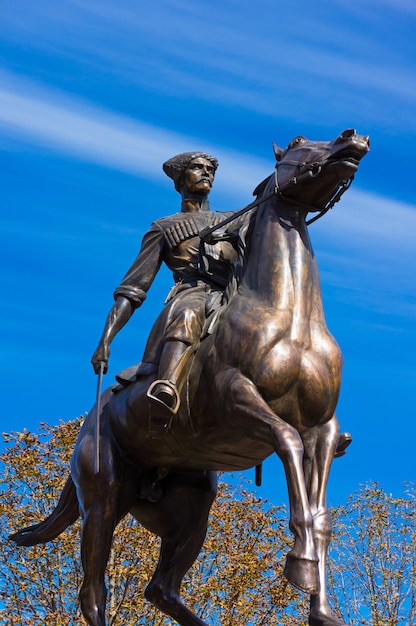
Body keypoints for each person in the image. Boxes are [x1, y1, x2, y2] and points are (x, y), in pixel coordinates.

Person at [91, 152, 239, 434]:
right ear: (181, 178)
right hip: (193, 292)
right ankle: (167, 388)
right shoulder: (164, 227)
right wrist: (106, 340)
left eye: (210, 169)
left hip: (233, 294)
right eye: (197, 168)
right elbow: (132, 289)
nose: (206, 172)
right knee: (188, 313)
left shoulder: (233, 219)